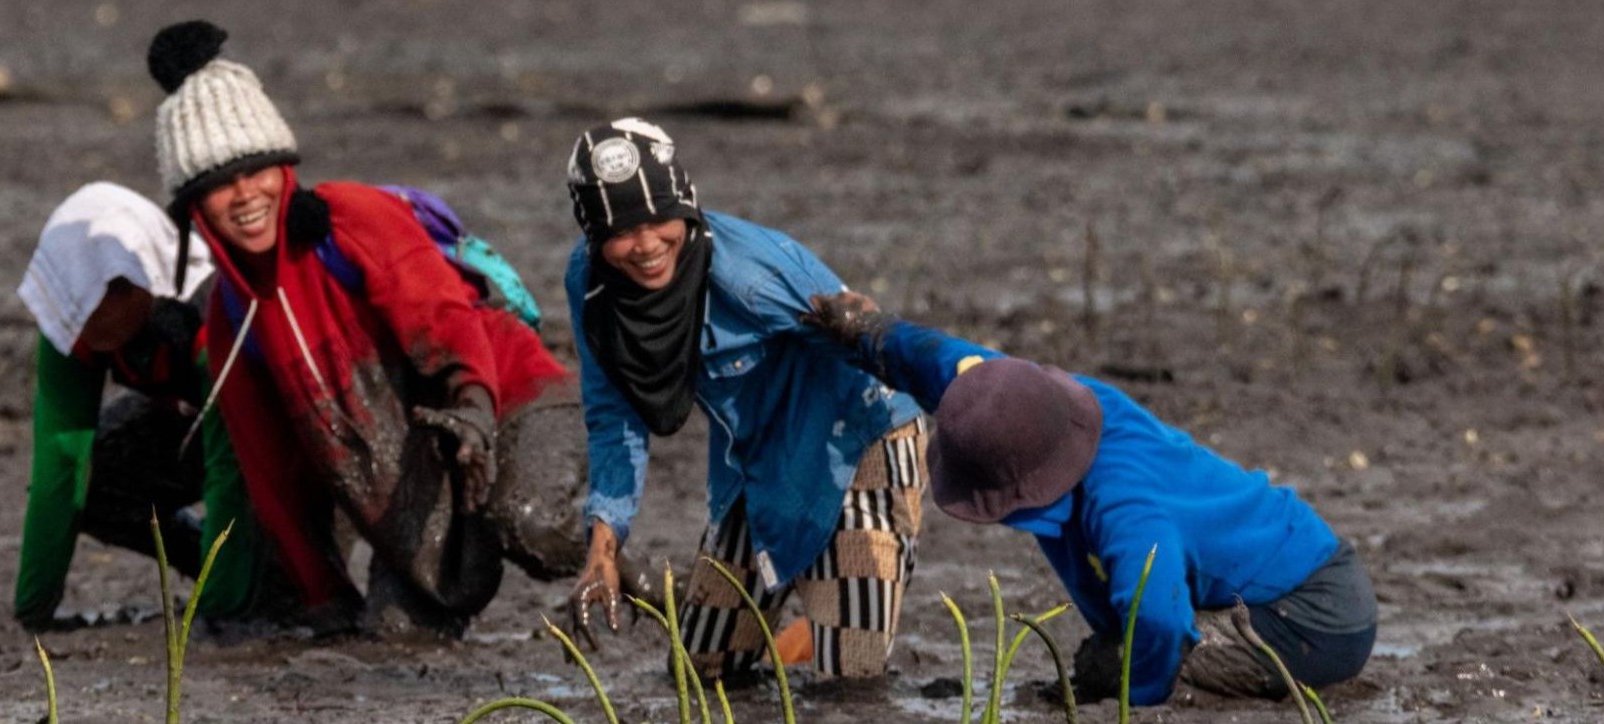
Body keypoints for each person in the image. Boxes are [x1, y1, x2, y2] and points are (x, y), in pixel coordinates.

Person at [144, 20, 613, 635]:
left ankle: (642, 576)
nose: (243, 195)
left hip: (514, 399)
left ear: (283, 168)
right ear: (192, 210)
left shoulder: (351, 219)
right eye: (218, 185)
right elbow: (272, 484)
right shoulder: (233, 321)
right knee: (392, 638)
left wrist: (473, 405)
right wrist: (324, 597)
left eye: (253, 171)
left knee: (533, 525)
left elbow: (444, 318)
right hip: (426, 476)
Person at [800, 291, 1378, 704]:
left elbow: (1157, 617)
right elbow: (945, 361)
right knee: (1111, 644)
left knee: (1112, 662)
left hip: (1316, 615)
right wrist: (867, 332)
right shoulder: (1027, 399)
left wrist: (1136, 696)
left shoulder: (1126, 510)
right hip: (1268, 572)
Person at [563, 118, 928, 682]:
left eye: (661, 219)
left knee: (849, 683)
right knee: (700, 672)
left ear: (686, 203)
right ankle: (806, 633)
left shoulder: (746, 275)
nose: (646, 245)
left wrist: (978, 389)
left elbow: (878, 344)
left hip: (857, 441)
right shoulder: (591, 287)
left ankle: (832, 626)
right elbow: (613, 418)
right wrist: (602, 550)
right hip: (758, 456)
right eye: (621, 230)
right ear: (592, 233)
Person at [14, 181, 276, 630]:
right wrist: (31, 616)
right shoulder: (71, 321)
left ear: (145, 283)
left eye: (110, 294)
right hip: (195, 424)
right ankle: (218, 568)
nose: (87, 315)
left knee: (281, 582)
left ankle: (259, 585)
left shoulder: (210, 311)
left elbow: (228, 470)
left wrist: (215, 616)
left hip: (275, 434)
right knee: (98, 484)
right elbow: (60, 465)